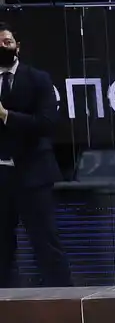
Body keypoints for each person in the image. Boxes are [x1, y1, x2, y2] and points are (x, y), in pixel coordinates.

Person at [0, 22, 72, 288]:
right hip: (1, 176)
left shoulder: (38, 79)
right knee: (3, 248)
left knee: (45, 243)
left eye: (6, 42)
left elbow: (46, 124)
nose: (2, 47)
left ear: (18, 46)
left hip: (32, 174)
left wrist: (6, 115)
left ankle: (66, 303)